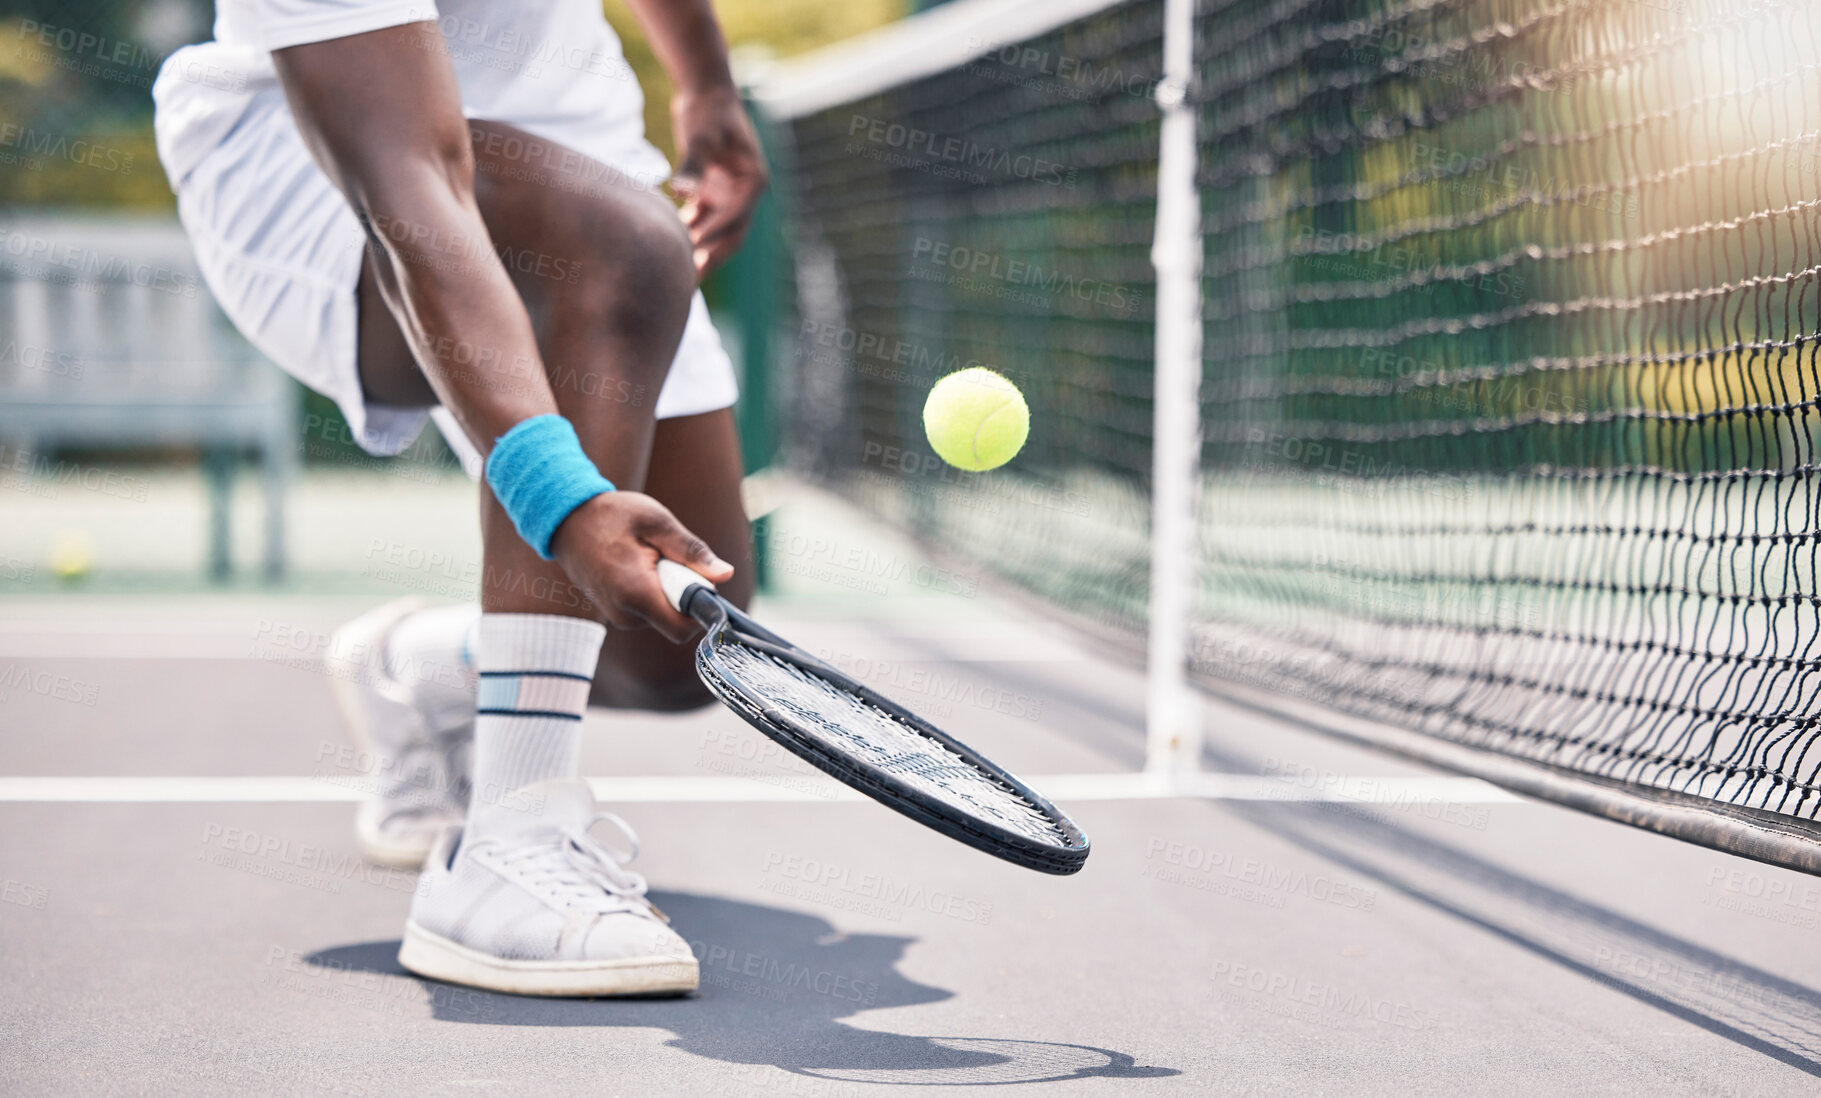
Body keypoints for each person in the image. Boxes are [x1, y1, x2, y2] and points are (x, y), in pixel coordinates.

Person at [152, 0, 768, 997]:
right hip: (319, 173)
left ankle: (423, 667)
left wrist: (705, 84)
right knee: (618, 246)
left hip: (578, 141)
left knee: (682, 654)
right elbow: (409, 186)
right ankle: (503, 853)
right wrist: (563, 503)